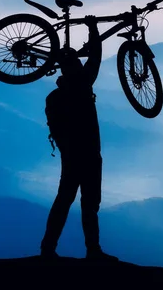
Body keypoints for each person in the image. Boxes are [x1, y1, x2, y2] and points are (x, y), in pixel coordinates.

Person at [40, 15, 118, 262]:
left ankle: (48, 249)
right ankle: (93, 251)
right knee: (90, 204)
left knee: (63, 201)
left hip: (70, 157)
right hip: (90, 155)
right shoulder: (84, 85)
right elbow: (95, 56)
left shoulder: (53, 98)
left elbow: (56, 129)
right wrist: (93, 28)